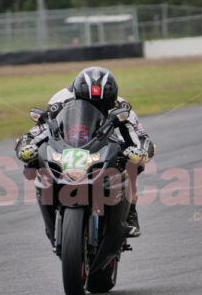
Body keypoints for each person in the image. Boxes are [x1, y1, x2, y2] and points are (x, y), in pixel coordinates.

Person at [14, 66, 155, 238]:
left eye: (102, 103)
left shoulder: (123, 108)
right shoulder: (60, 102)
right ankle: (51, 217)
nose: (96, 107)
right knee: (33, 162)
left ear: (112, 99)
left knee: (133, 165)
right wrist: (26, 146)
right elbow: (41, 129)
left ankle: (130, 214)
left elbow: (142, 138)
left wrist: (139, 152)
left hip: (106, 145)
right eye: (89, 103)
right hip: (68, 144)